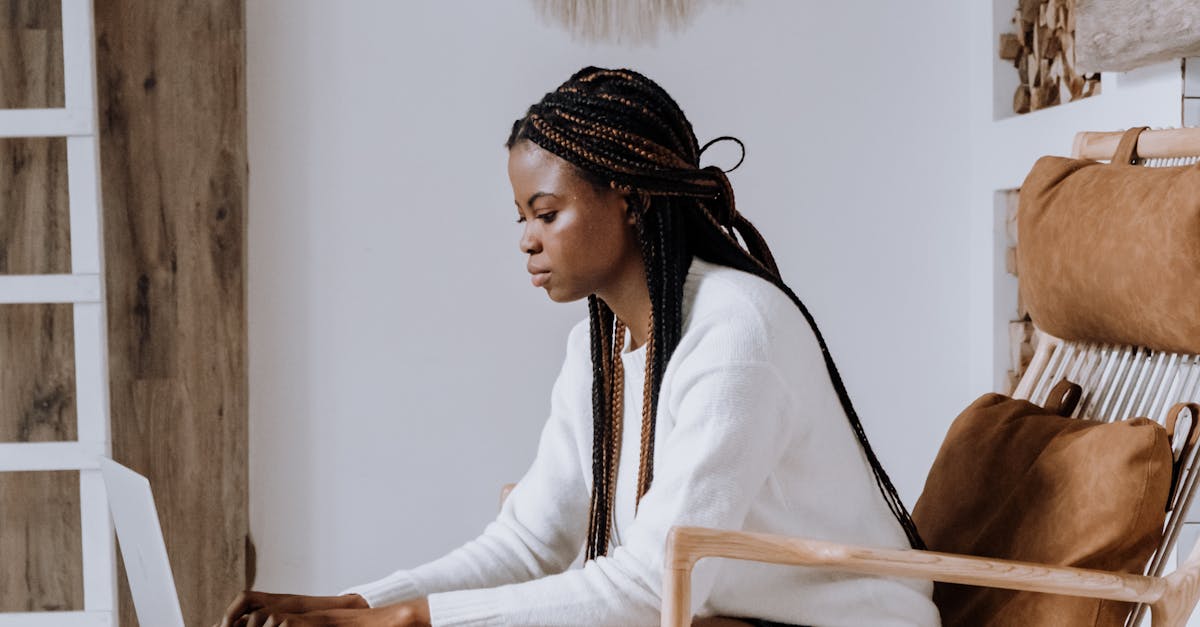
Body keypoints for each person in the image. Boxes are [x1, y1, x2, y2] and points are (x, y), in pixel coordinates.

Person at [217, 66, 940, 627]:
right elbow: (529, 543)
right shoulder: (599, 347)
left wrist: (412, 619)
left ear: (628, 200)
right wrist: (354, 603)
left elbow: (655, 583)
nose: (526, 238)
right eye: (521, 216)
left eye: (548, 212)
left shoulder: (736, 332)